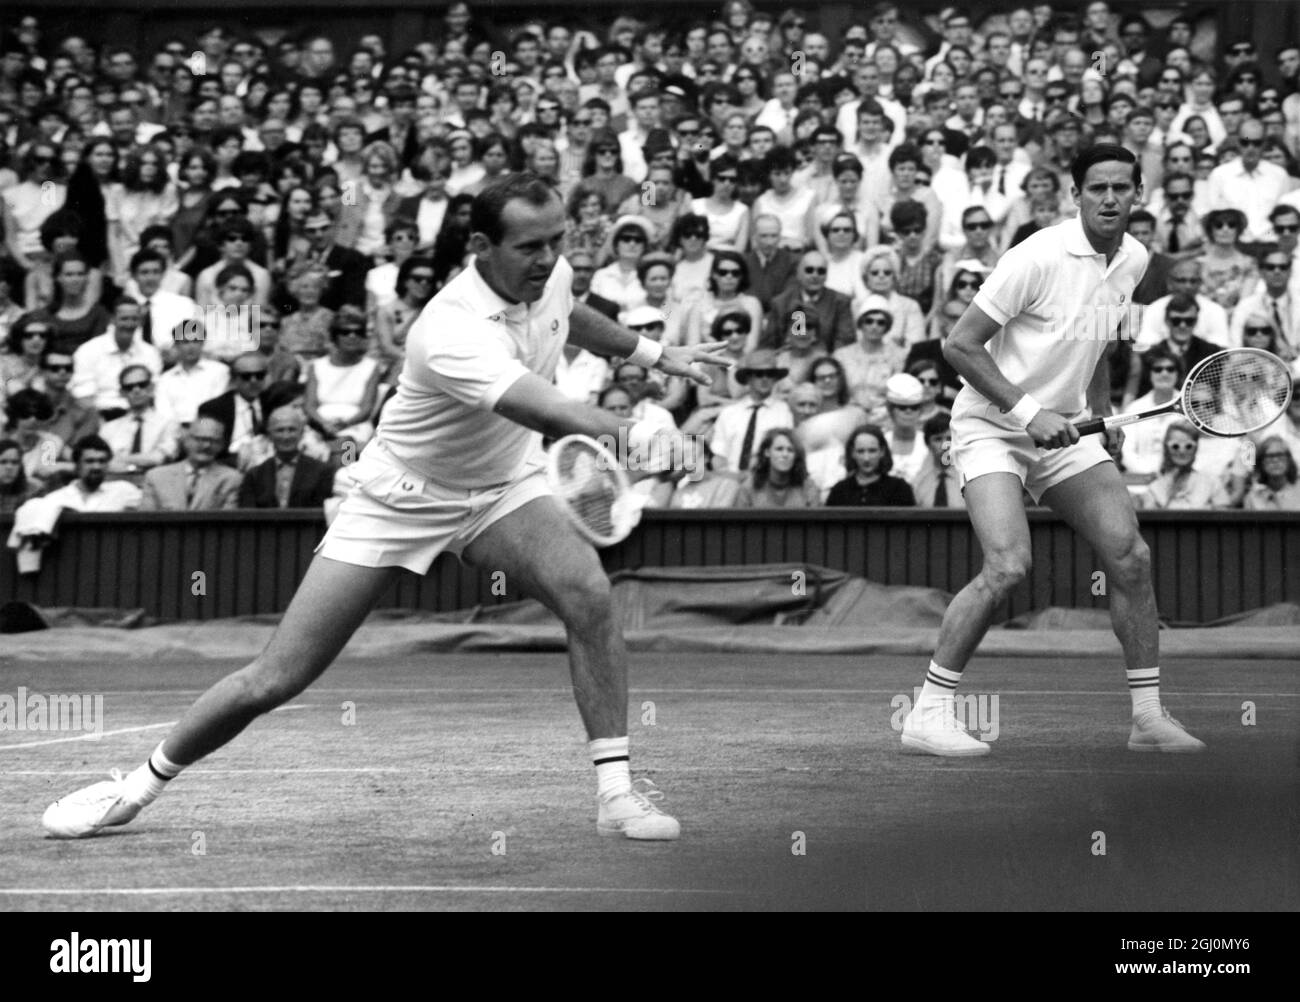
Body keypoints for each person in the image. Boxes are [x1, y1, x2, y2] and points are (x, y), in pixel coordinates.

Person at [41, 172, 728, 843]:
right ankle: (136, 786)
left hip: (502, 486)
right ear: (480, 248)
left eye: (556, 242)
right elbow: (540, 405)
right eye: (529, 247)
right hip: (399, 496)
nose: (548, 259)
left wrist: (657, 353)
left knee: (589, 595)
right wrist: (635, 434)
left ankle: (614, 795)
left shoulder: (548, 273)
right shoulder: (449, 329)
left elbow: (567, 311)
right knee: (278, 676)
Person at [899, 144, 1205, 758]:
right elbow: (959, 346)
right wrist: (1028, 413)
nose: (1110, 199)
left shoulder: (1134, 259)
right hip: (991, 424)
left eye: (1122, 187)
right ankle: (927, 715)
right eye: (1097, 189)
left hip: (1063, 431)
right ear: (1076, 195)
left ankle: (1146, 717)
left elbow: (1097, 343)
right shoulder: (1035, 256)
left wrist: (1096, 411)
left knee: (1130, 555)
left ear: (1139, 194)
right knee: (1009, 565)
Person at [141, 416, 242, 510]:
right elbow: (145, 522)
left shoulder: (231, 479)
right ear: (186, 441)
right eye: (199, 439)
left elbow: (228, 523)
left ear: (221, 445)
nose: (206, 445)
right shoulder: (156, 477)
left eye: (213, 440)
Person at [1138, 421, 1231, 510]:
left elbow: (1225, 519)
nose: (1182, 451)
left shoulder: (1212, 483)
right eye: (1175, 446)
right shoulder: (1155, 488)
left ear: (1196, 448)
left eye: (1188, 446)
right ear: (1166, 447)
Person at [825, 423, 915, 506]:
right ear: (852, 453)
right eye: (860, 451)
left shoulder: (899, 489)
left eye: (872, 451)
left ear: (882, 452)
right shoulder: (839, 491)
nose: (866, 458)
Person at [734, 426, 821, 507]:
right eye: (779, 449)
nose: (785, 454)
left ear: (796, 456)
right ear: (767, 452)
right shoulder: (749, 488)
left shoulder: (808, 488)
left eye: (790, 450)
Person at [1243, 436, 1300, 510]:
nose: (1275, 460)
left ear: (1288, 459)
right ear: (1261, 462)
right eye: (1270, 456)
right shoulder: (1253, 498)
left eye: (1280, 455)